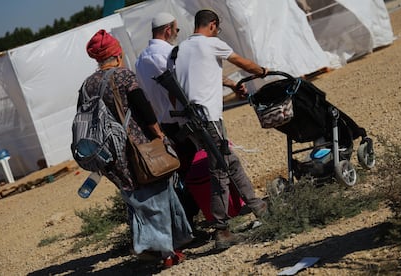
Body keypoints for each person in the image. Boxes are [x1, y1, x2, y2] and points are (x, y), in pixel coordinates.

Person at [79, 29, 193, 268]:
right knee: (157, 196)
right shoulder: (123, 76)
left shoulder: (87, 85)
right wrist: (159, 134)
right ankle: (164, 252)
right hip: (137, 148)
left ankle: (150, 245)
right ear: (118, 55)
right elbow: (144, 108)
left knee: (135, 200)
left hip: (109, 155)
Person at [173, 9, 270, 249]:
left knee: (229, 161)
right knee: (219, 170)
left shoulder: (181, 49)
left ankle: (258, 205)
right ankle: (221, 229)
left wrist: (232, 84)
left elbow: (201, 76)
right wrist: (262, 71)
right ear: (213, 25)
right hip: (208, 118)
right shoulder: (212, 43)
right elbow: (242, 62)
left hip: (189, 120)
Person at [135, 12, 200, 229]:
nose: (176, 34)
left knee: (183, 169)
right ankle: (196, 216)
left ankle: (187, 220)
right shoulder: (168, 53)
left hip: (164, 123)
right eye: (176, 30)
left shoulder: (140, 60)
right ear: (168, 30)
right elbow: (177, 86)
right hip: (182, 120)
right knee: (198, 166)